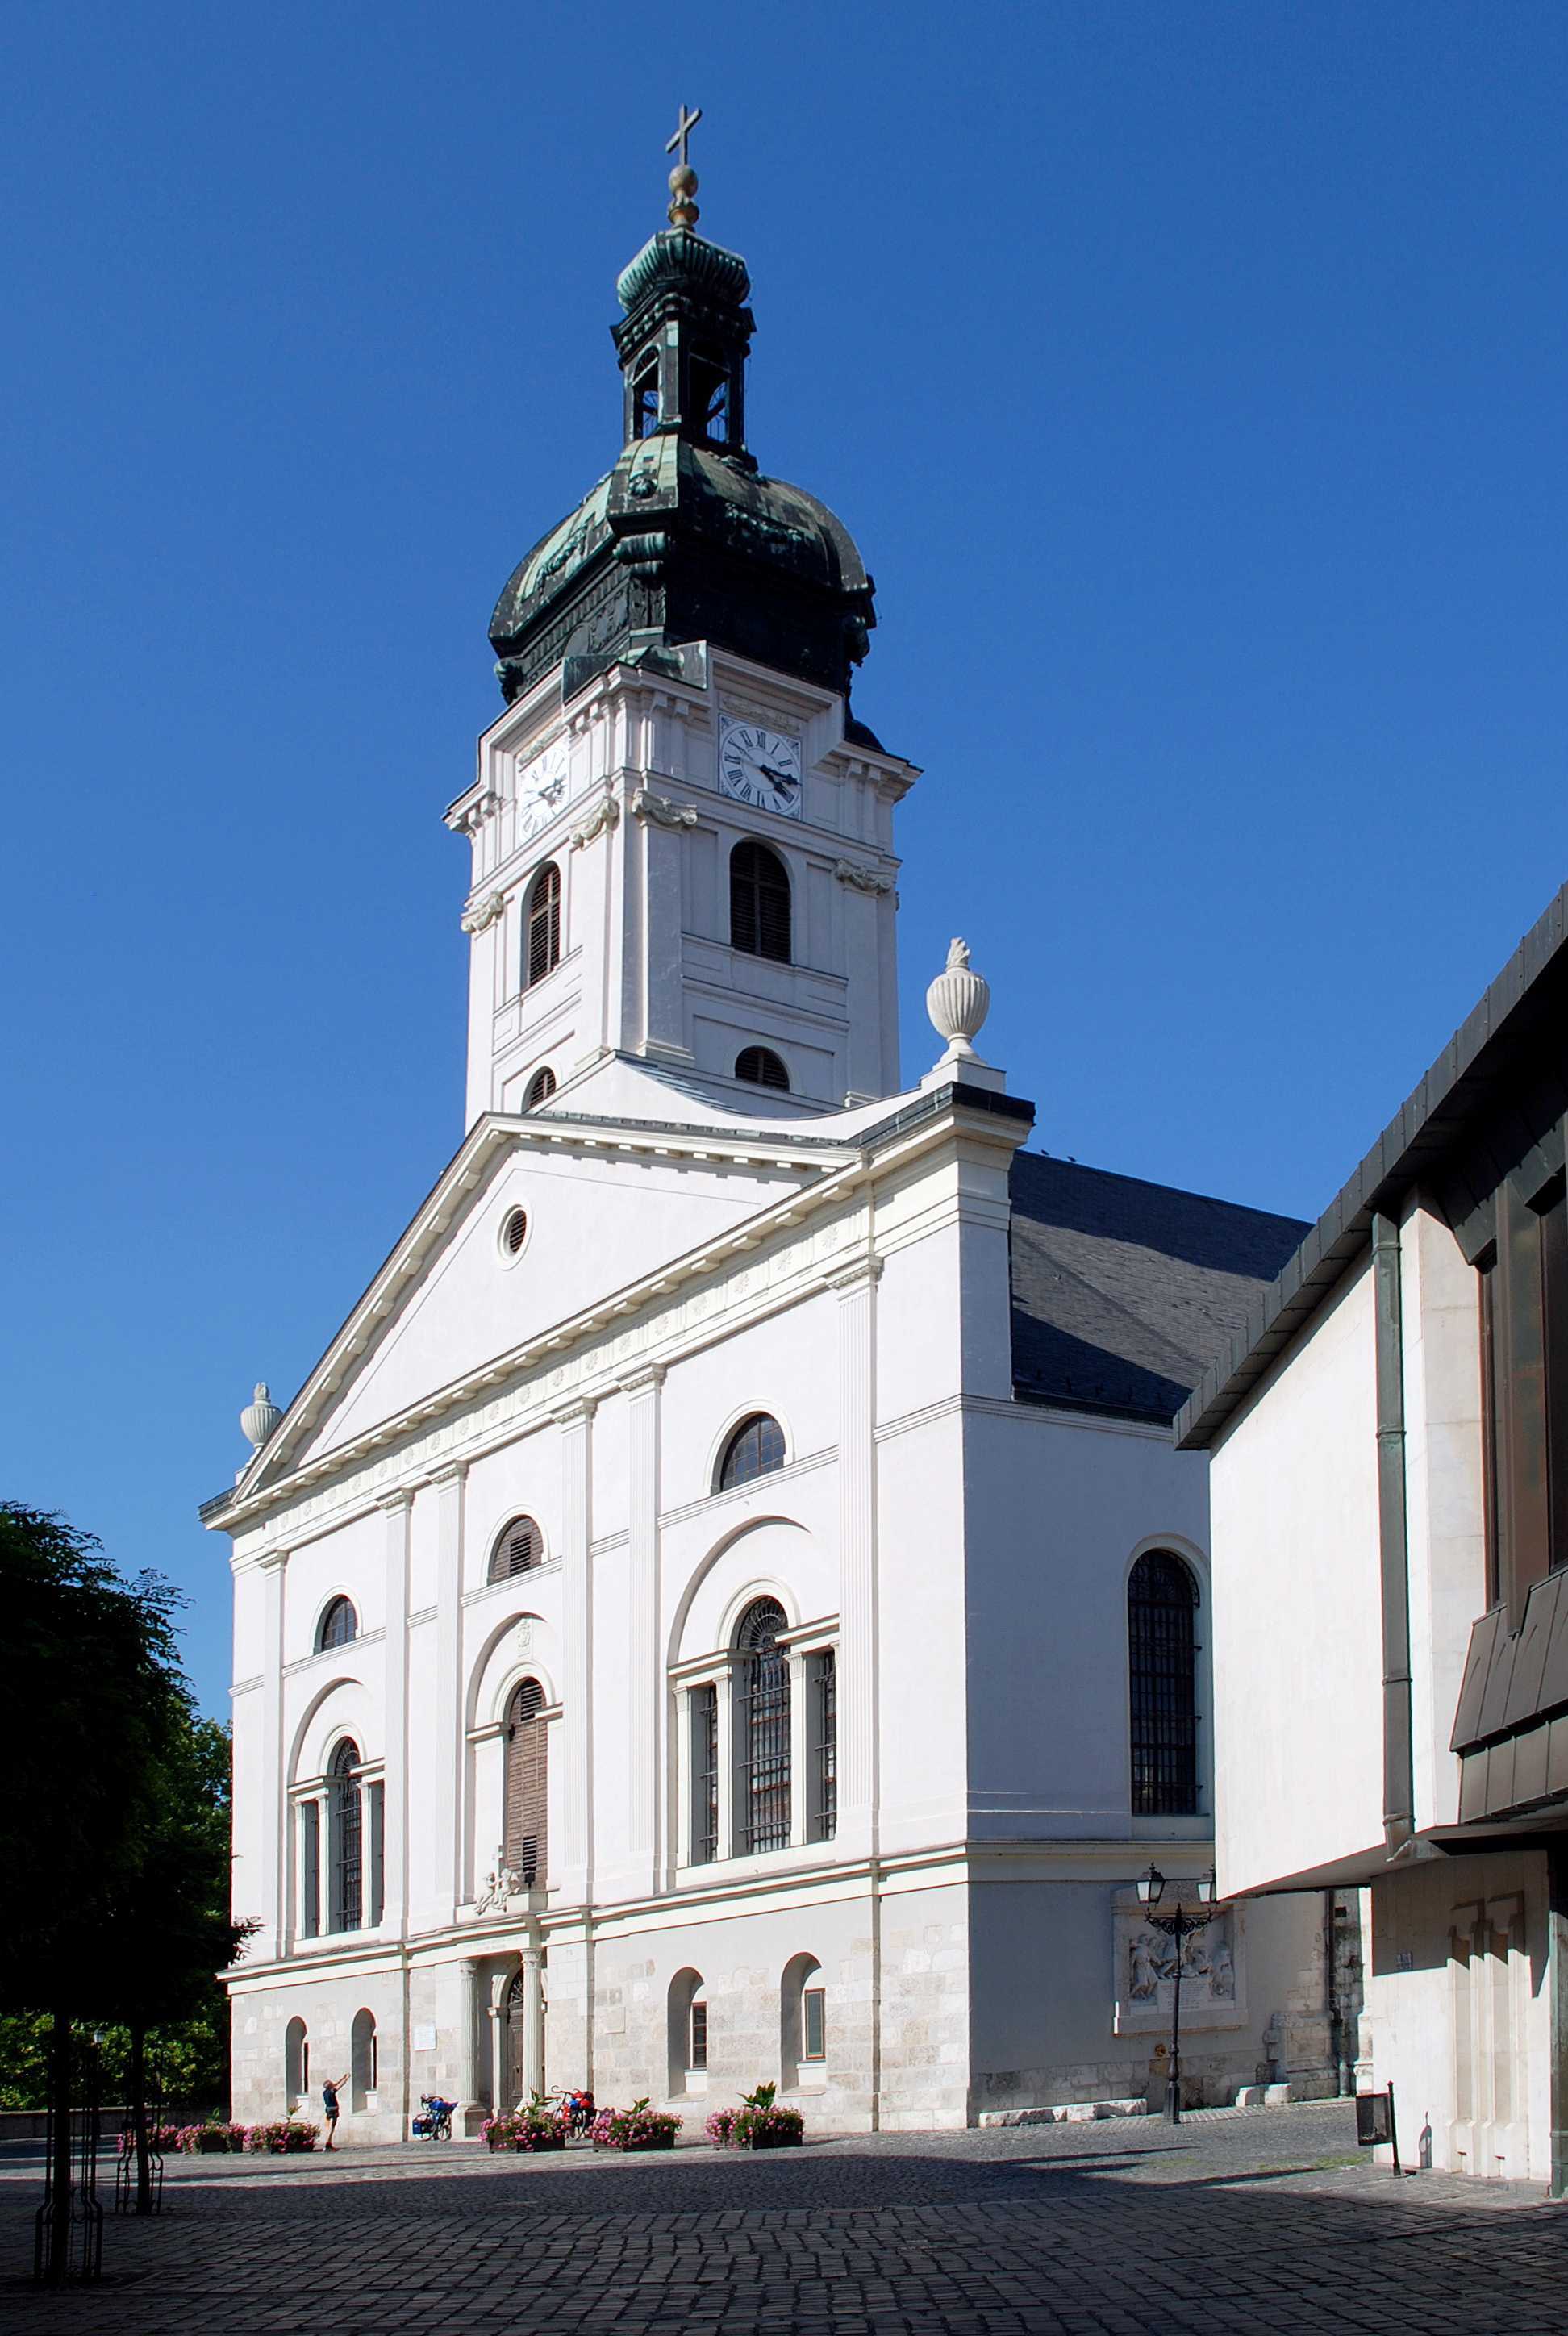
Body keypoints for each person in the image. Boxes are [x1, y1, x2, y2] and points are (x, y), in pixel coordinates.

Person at [322, 2071, 348, 2150]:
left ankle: (328, 2142)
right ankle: (328, 2144)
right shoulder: (332, 2091)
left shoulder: (325, 2092)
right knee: (332, 2127)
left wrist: (342, 2078)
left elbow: (335, 2084)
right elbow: (340, 2086)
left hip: (328, 2110)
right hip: (334, 2109)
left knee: (329, 2126)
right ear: (330, 2086)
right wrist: (346, 2079)